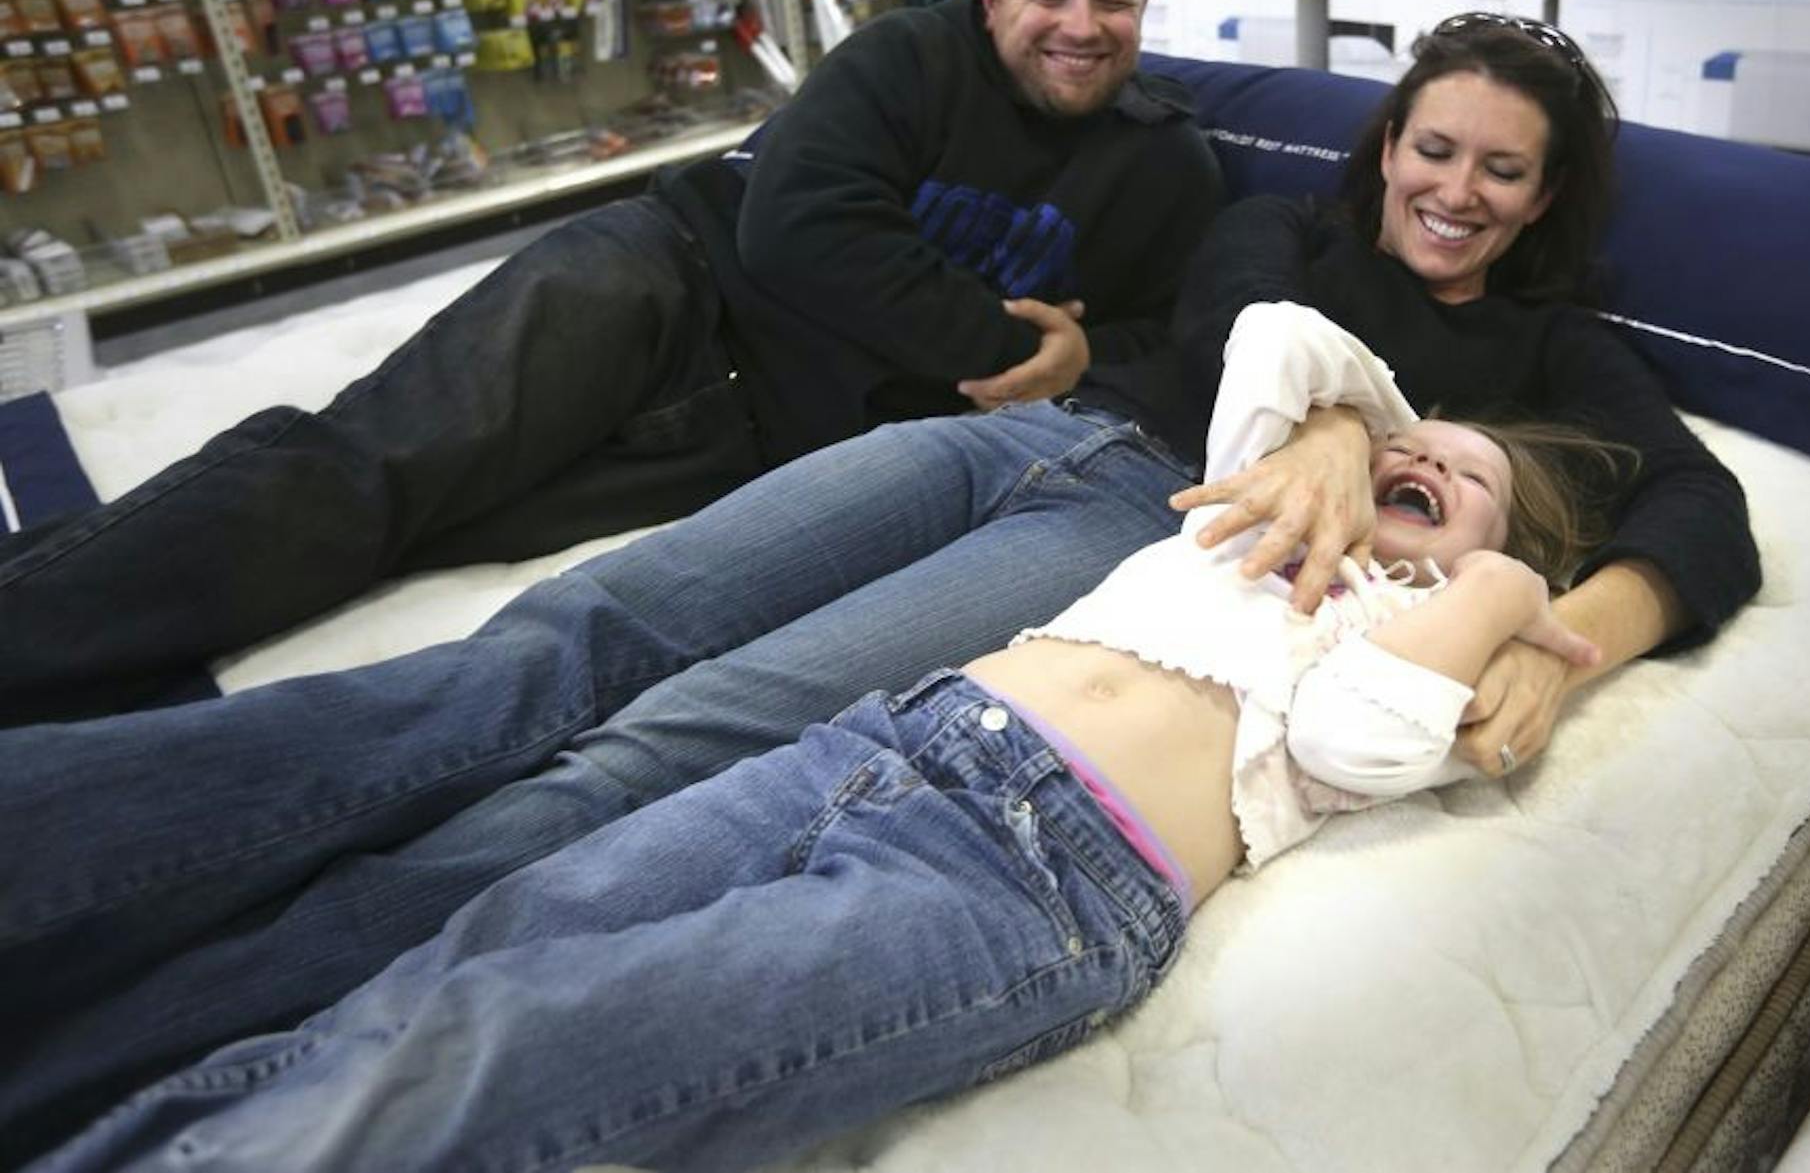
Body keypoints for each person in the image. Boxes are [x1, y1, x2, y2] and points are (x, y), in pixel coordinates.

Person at [0, 14, 1759, 1159]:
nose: (1454, 190)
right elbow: (1242, 315)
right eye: (1433, 148)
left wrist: (1566, 642)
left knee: (632, 764)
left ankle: (89, 1069)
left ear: (1542, 200)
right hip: (1015, 442)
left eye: (1500, 170)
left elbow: (1704, 512)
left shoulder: (1554, 355)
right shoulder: (1281, 228)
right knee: (559, 641)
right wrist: (1330, 428)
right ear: (1386, 148)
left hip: (1122, 540)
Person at [33, 304, 1620, 1173]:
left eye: (1462, 479)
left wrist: (1493, 593)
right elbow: (1275, 333)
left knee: (504, 1043)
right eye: (1414, 438)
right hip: (883, 743)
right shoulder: (1237, 510)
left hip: (1036, 884)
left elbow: (1358, 735)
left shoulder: (1408, 631)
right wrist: (1345, 428)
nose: (1423, 460)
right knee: (456, 970)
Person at [0, 0, 1222, 726]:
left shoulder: (1167, 163)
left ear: (1143, 10)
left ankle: (89, 680)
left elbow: (1175, 338)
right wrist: (1000, 345)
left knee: (429, 536)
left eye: (1112, 2)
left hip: (751, 438)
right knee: (370, 473)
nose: (1081, 26)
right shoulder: (907, 56)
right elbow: (797, 227)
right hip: (662, 286)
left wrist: (1079, 361)